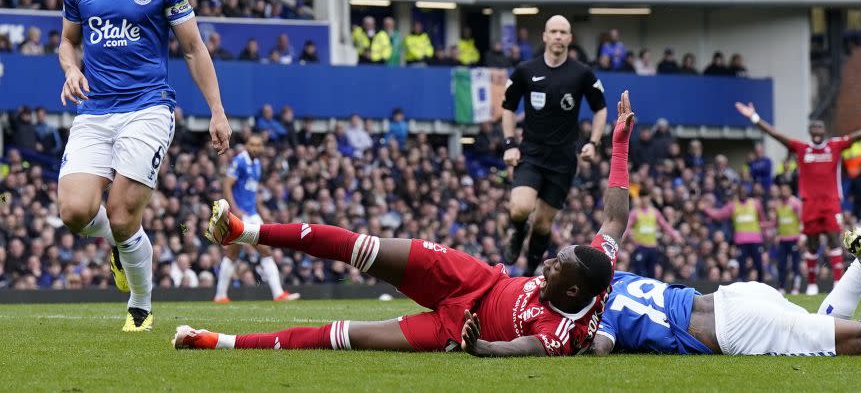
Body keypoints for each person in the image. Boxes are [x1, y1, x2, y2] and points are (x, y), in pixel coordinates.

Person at [173, 91, 636, 356]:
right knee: (362, 247)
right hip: (474, 278)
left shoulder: (560, 333)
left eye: (557, 267)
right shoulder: (598, 265)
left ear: (573, 292)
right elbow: (615, 216)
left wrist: (479, 347)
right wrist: (618, 144)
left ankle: (218, 341)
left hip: (456, 330)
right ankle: (243, 231)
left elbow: (520, 352)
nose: (549, 263)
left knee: (345, 336)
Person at [56, 0, 231, 332]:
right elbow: (68, 41)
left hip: (148, 108)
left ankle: (140, 304)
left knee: (121, 215)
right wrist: (70, 70)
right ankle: (120, 246)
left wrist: (217, 110)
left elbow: (193, 49)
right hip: (94, 110)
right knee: (74, 213)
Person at [591, 198, 861, 356]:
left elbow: (600, 348)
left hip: (738, 326)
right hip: (738, 297)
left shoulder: (601, 312)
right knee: (817, 324)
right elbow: (613, 220)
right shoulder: (615, 275)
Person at [734, 101, 861, 295]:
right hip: (809, 203)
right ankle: (812, 283)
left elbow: (860, 135)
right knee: (812, 243)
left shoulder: (835, 146)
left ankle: (836, 282)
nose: (817, 130)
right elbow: (775, 134)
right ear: (809, 131)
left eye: (820, 127)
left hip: (830, 202)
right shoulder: (802, 148)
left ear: (824, 131)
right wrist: (754, 117)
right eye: (813, 128)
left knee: (834, 239)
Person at [501, 15, 608, 276]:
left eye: (563, 32)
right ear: (545, 37)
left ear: (570, 38)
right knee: (520, 208)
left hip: (562, 160)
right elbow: (508, 107)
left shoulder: (581, 73)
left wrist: (593, 142)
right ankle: (517, 229)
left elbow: (601, 109)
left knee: (542, 224)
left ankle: (528, 273)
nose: (558, 36)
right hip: (532, 153)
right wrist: (509, 143)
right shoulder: (526, 70)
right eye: (554, 32)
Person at [214, 134, 299, 303]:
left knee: (233, 253)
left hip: (252, 213)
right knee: (265, 250)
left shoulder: (258, 164)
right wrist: (236, 210)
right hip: (242, 215)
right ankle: (278, 294)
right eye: (252, 144)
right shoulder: (240, 161)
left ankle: (220, 296)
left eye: (258, 145)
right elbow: (226, 185)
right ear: (246, 145)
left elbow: (251, 192)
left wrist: (261, 210)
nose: (255, 148)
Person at [702, 184, 771, 282]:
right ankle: (742, 289)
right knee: (742, 266)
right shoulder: (733, 205)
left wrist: (768, 230)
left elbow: (762, 221)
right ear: (737, 193)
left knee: (759, 265)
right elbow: (719, 215)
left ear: (748, 192)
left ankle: (761, 287)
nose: (743, 193)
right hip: (741, 241)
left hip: (755, 240)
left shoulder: (756, 203)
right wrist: (706, 209)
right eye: (741, 192)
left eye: (744, 191)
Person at [625, 189, 680, 278]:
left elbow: (664, 225)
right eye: (642, 198)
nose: (644, 200)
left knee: (651, 274)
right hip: (640, 246)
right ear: (640, 199)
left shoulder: (654, 212)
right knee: (639, 273)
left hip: (652, 247)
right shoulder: (635, 212)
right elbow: (627, 227)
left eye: (646, 197)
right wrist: (622, 237)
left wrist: (674, 235)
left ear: (649, 198)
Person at [770, 184, 802, 294]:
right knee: (781, 264)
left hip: (794, 238)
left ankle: (796, 288)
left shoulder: (795, 203)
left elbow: (801, 220)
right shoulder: (778, 205)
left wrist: (801, 236)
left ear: (789, 191)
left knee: (795, 264)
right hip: (783, 239)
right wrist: (777, 234)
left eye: (785, 190)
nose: (783, 192)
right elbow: (776, 223)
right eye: (782, 190)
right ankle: (782, 287)